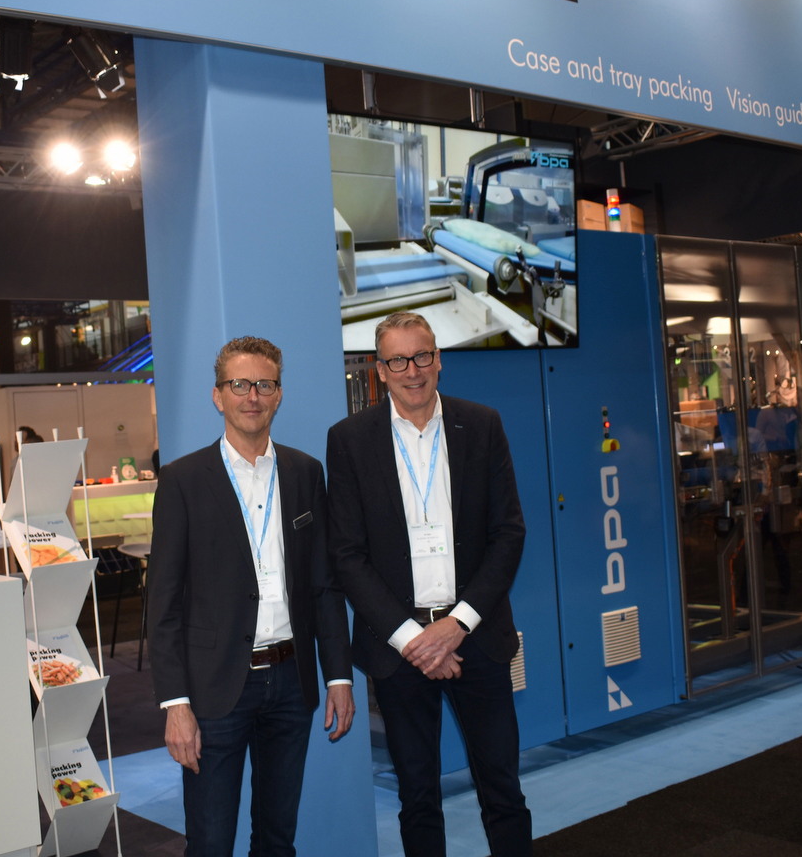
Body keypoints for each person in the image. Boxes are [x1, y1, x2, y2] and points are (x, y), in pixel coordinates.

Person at [326, 312, 531, 857]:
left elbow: (508, 534)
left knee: (503, 791)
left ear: (438, 360)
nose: (412, 371)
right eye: (397, 361)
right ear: (380, 371)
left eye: (421, 356)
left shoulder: (481, 425)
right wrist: (413, 639)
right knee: (417, 797)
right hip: (400, 651)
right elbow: (347, 554)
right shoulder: (349, 440)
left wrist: (456, 625)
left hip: (476, 639)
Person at [148, 335, 355, 857]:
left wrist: (338, 675)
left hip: (290, 683)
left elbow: (324, 585)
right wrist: (175, 704)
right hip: (215, 690)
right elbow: (163, 603)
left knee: (277, 839)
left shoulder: (305, 473)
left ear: (279, 394)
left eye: (264, 385)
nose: (252, 396)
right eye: (239, 385)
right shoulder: (182, 480)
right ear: (218, 396)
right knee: (211, 842)